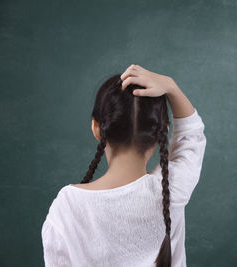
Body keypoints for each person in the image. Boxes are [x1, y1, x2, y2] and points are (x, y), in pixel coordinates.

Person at [41, 64, 207, 267]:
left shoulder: (67, 206)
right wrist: (171, 86)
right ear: (162, 132)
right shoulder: (171, 191)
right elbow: (191, 138)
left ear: (97, 129)